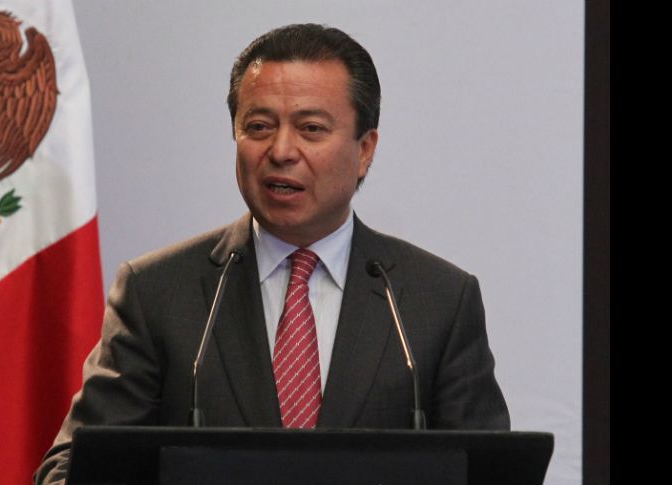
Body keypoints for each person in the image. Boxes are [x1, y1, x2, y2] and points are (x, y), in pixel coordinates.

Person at [34, 23, 510, 484]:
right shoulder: (157, 292)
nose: (281, 151)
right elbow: (68, 469)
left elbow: (490, 471)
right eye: (258, 127)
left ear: (365, 149)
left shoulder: (436, 300)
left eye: (311, 129)